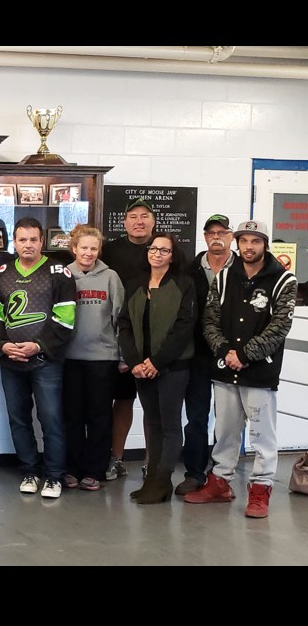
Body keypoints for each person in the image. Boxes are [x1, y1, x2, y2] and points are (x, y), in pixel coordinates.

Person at [186, 220, 297, 518]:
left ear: (265, 244)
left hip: (259, 371)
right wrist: (224, 351)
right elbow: (209, 319)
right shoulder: (223, 278)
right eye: (244, 241)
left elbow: (280, 326)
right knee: (224, 431)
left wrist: (246, 354)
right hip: (224, 368)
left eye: (255, 241)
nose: (249, 247)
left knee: (262, 435)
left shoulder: (284, 280)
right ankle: (220, 482)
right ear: (237, 243)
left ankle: (260, 489)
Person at [0, 217, 75, 499]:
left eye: (33, 239)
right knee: (18, 418)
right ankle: (29, 470)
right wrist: (2, 345)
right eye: (22, 239)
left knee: (51, 419)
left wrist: (38, 345)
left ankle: (53, 476)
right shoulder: (2, 271)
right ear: (14, 242)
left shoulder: (58, 273)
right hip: (11, 361)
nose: (28, 244)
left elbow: (65, 319)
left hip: (45, 361)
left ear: (42, 241)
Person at [117, 233, 196, 504]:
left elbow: (184, 327)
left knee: (170, 425)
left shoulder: (184, 284)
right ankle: (151, 478)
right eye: (154, 249)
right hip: (141, 367)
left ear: (173, 256)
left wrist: (157, 362)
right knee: (153, 422)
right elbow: (124, 325)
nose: (157, 254)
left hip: (172, 366)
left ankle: (163, 481)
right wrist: (136, 361)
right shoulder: (135, 284)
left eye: (165, 250)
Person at [177, 214, 237, 496]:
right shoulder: (188, 271)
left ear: (231, 236)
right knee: (197, 416)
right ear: (204, 236)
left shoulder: (244, 269)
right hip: (198, 354)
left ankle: (223, 475)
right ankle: (195, 472)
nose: (217, 236)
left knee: (229, 419)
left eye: (222, 232)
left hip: (234, 354)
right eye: (211, 232)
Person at [62, 224, 124, 492]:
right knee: (72, 415)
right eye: (83, 247)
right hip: (69, 358)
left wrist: (123, 356)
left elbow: (121, 319)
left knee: (99, 417)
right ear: (74, 248)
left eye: (94, 248)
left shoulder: (110, 277)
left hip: (103, 358)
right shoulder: (64, 276)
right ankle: (72, 468)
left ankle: (94, 471)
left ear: (99, 250)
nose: (88, 253)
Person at [100, 197, 156, 480]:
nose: (139, 221)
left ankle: (150, 462)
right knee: (122, 400)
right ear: (124, 222)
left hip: (153, 340)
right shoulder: (110, 251)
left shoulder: (163, 249)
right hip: (120, 337)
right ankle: (116, 458)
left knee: (152, 404)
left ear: (153, 221)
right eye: (133, 216)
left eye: (144, 216)